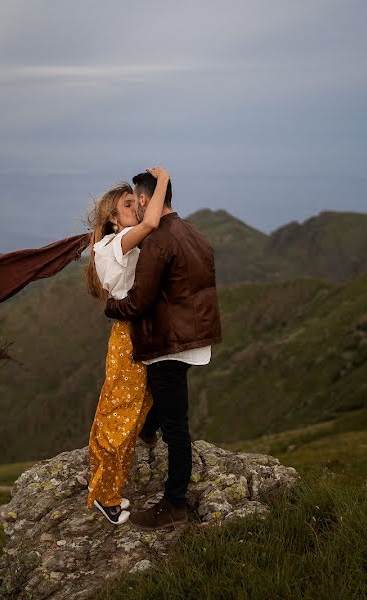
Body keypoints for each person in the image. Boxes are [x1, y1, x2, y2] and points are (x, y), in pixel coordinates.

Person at [104, 170, 222, 530]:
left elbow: (139, 302)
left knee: (177, 428)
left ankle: (174, 505)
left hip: (169, 343)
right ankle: (148, 428)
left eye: (135, 201)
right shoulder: (194, 233)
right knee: (162, 406)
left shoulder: (158, 241)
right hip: (193, 337)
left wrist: (111, 307)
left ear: (144, 200)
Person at [83, 167, 170, 525]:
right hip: (127, 335)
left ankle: (111, 488)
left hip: (139, 330)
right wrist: (162, 180)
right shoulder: (111, 245)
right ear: (113, 218)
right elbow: (151, 224)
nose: (138, 206)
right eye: (129, 203)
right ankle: (105, 494)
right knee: (119, 414)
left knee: (134, 410)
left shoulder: (122, 242)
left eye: (138, 201)